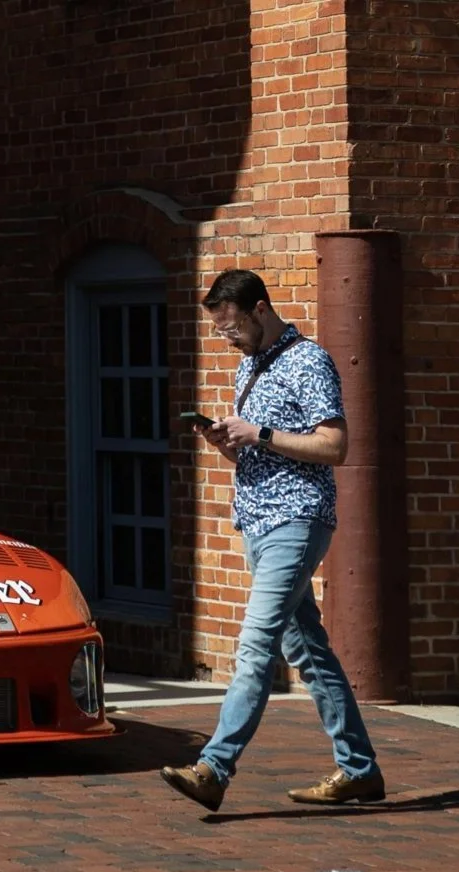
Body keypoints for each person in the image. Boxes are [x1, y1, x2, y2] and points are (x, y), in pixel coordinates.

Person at [160, 269, 383, 812]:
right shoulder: (249, 367)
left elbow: (334, 446)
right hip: (257, 525)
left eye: (232, 327)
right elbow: (264, 452)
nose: (227, 338)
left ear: (260, 310)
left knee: (255, 648)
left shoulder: (309, 360)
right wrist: (227, 443)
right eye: (219, 331)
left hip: (297, 521)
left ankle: (214, 767)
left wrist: (258, 432)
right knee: (307, 650)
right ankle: (360, 771)